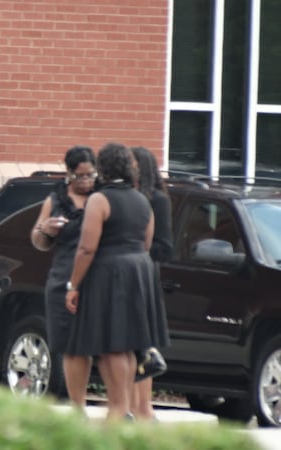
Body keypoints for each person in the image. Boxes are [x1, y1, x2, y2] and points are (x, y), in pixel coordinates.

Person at [64, 142, 169, 421]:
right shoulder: (142, 200)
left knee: (113, 344)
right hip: (140, 271)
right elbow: (147, 241)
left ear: (103, 169)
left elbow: (87, 248)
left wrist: (73, 285)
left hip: (110, 272)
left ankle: (118, 409)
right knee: (129, 343)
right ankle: (123, 407)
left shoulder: (99, 200)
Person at [30, 146, 96, 402]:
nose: (86, 181)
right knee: (68, 345)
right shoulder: (55, 200)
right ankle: (75, 403)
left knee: (92, 344)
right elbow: (37, 241)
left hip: (94, 278)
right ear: (68, 173)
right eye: (80, 176)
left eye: (90, 174)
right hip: (62, 278)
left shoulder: (101, 197)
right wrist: (46, 230)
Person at [130, 146, 173, 421]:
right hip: (120, 279)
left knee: (143, 346)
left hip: (144, 279)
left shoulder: (157, 199)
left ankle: (143, 409)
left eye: (132, 164)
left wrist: (135, 251)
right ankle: (126, 407)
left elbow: (165, 248)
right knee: (122, 347)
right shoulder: (120, 197)